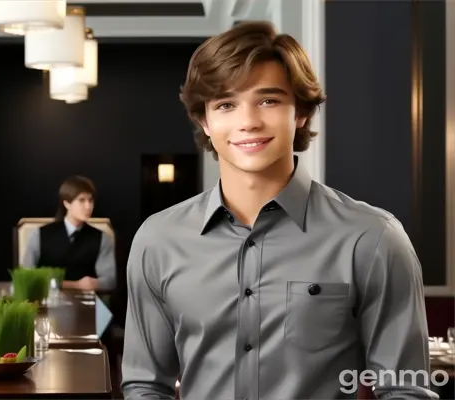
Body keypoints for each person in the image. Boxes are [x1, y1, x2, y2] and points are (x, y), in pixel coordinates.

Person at [120, 21, 436, 399]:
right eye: (226, 104)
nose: (248, 122)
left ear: (300, 111)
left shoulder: (373, 239)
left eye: (268, 100)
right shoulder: (158, 240)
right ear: (204, 120)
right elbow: (145, 385)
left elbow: (405, 390)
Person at [22, 175, 116, 291]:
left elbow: (110, 280)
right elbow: (25, 276)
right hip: (47, 302)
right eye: (82, 200)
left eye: (90, 200)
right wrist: (76, 285)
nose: (88, 206)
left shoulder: (101, 238)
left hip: (86, 304)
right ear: (67, 204)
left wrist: (94, 284)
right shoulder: (39, 234)